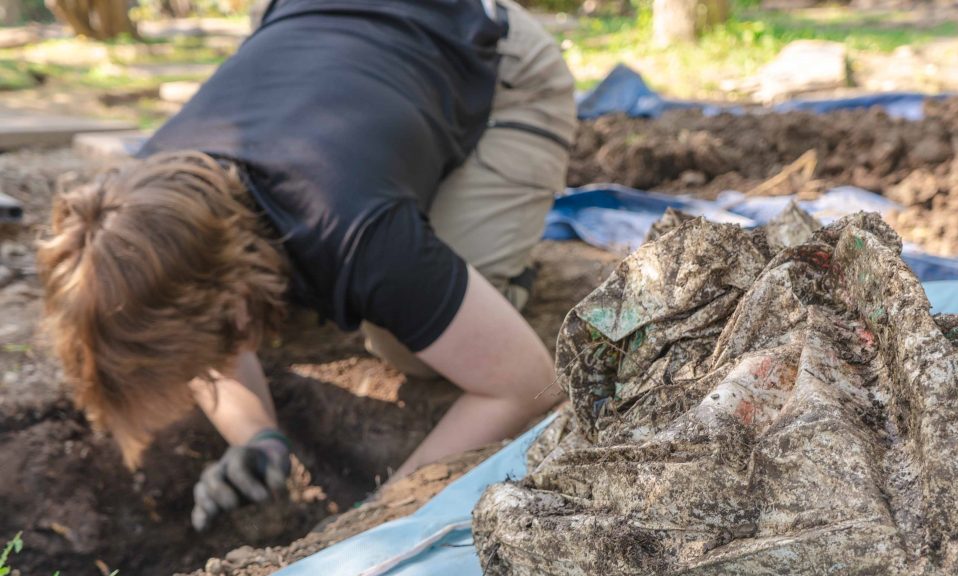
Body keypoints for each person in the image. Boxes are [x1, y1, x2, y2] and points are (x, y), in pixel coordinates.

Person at [37, 0, 576, 531]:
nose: (207, 377)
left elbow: (525, 383)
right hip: (341, 46)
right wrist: (257, 437)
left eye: (201, 367)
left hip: (490, 57)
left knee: (410, 348)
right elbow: (196, 323)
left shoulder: (356, 236)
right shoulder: (150, 208)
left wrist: (377, 521)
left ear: (233, 303)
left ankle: (507, 278)